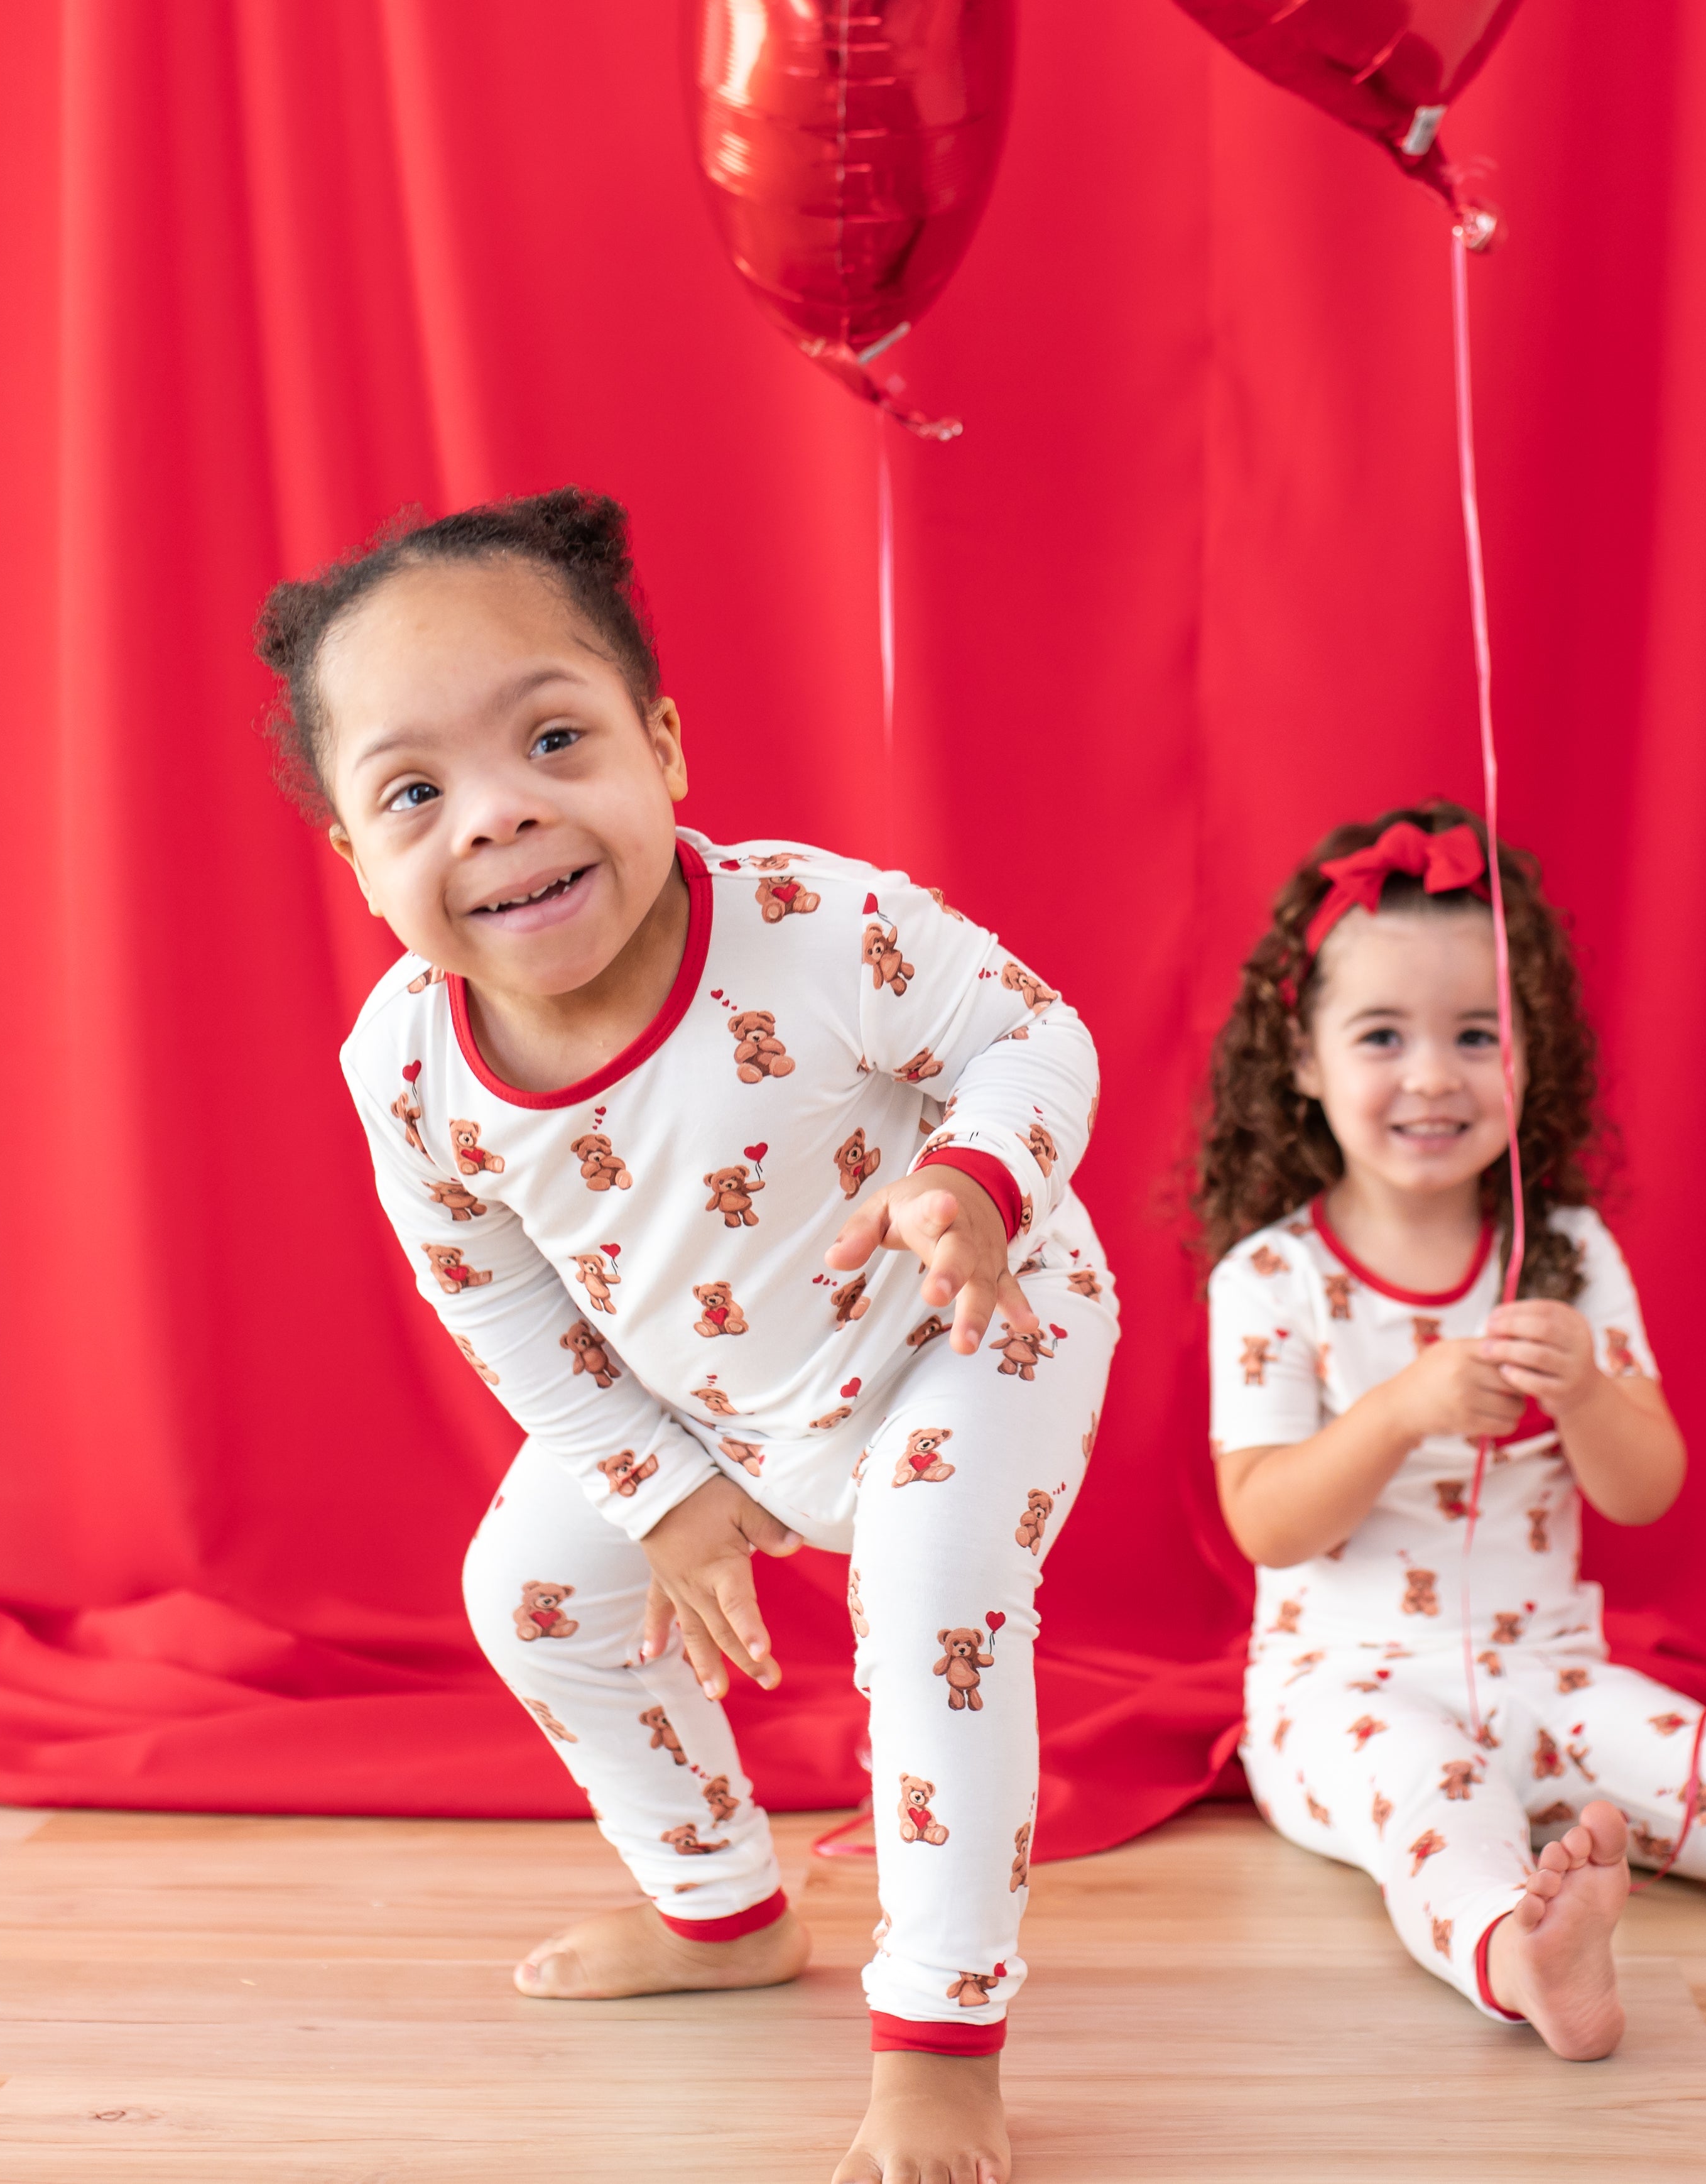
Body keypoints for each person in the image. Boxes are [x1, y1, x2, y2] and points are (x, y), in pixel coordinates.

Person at [254, 487, 1116, 2183]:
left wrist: (973, 1180)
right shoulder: (405, 1066)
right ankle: (721, 1904)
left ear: (662, 746)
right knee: (531, 1592)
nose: (498, 818)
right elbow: (484, 1284)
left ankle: (941, 2022)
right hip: (712, 1394)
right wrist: (654, 1480)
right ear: (359, 864)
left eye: (554, 739)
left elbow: (1031, 1036)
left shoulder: (810, 929)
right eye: (417, 791)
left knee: (934, 1596)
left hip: (963, 1320)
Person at [1196, 801, 1706, 2061]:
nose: (1433, 1074)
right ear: (1300, 1061)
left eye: (1477, 1034)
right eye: (1381, 1036)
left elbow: (1645, 1490)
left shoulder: (1567, 1251)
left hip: (1555, 1672)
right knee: (1435, 1801)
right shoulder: (1271, 1277)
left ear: (1532, 1058)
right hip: (1337, 1693)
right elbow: (1265, 1517)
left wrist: (1586, 1389)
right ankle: (1518, 1952)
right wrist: (1399, 1408)